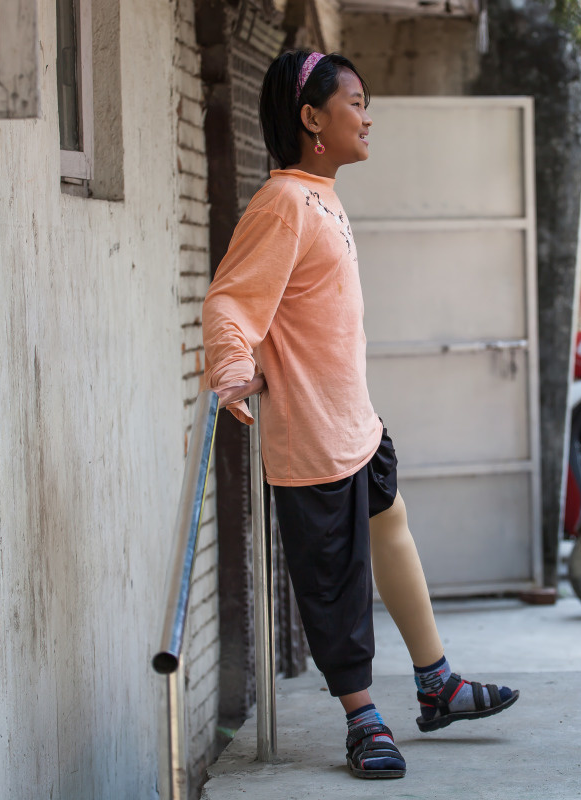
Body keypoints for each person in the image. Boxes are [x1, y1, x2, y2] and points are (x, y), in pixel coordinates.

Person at [202, 50, 518, 781]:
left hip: (356, 422)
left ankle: (437, 683)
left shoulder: (319, 194)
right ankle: (362, 719)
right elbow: (229, 299)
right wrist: (229, 367)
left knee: (392, 530)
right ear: (313, 119)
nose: (367, 115)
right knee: (333, 583)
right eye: (355, 102)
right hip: (310, 433)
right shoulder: (281, 202)